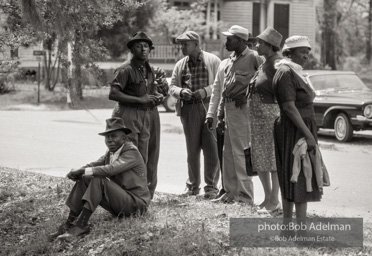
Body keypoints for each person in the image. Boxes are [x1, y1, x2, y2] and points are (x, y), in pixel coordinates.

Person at [49, 117, 151, 240]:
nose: (110, 140)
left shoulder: (131, 152)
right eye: (107, 137)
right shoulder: (111, 153)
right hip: (120, 202)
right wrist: (79, 171)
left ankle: (81, 226)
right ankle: (69, 223)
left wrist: (82, 171)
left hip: (136, 205)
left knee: (98, 179)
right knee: (86, 177)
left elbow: (112, 169)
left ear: (124, 138)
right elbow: (94, 164)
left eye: (114, 136)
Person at [108, 31, 167, 198]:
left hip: (148, 115)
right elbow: (113, 94)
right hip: (128, 114)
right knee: (129, 155)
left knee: (148, 155)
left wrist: (160, 95)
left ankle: (146, 195)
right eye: (138, 46)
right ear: (132, 50)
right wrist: (140, 99)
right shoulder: (125, 69)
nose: (143, 49)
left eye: (146, 46)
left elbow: (153, 93)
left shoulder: (151, 70)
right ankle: (125, 195)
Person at [210, 25, 263, 204]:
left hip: (243, 112)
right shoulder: (227, 62)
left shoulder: (253, 57)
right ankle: (230, 193)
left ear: (241, 40)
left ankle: (245, 197)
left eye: (230, 39)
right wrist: (217, 114)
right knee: (228, 154)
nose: (226, 42)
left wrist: (248, 95)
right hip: (227, 111)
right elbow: (219, 90)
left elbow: (265, 79)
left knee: (241, 154)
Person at [272, 35, 322, 219]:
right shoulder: (285, 72)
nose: (306, 56)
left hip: (301, 127)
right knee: (296, 176)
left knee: (301, 175)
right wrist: (308, 135)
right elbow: (289, 107)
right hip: (294, 129)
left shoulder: (296, 71)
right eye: (302, 52)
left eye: (308, 52)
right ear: (289, 53)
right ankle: (293, 228)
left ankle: (293, 228)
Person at [169, 31, 221, 199]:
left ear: (196, 44)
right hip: (189, 109)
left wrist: (205, 91)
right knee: (192, 150)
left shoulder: (213, 61)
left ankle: (211, 187)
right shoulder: (180, 64)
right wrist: (180, 91)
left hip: (209, 107)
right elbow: (172, 86)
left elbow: (221, 84)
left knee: (211, 149)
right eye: (181, 44)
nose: (182, 47)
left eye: (186, 44)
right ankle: (192, 186)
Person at [247, 27, 283, 213]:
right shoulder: (264, 62)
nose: (256, 45)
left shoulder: (278, 64)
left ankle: (275, 200)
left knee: (272, 160)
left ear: (270, 46)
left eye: (260, 42)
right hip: (258, 119)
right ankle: (267, 197)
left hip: (271, 118)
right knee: (260, 159)